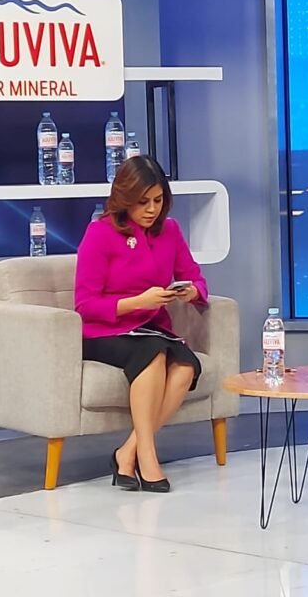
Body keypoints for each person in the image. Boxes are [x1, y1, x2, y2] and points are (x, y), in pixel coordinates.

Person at [75, 155, 209, 493]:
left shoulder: (170, 231)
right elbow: (85, 305)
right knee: (153, 353)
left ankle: (127, 451)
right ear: (125, 199)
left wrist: (191, 291)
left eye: (158, 201)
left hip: (151, 327)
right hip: (104, 330)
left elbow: (195, 278)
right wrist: (139, 302)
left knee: (185, 366)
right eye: (143, 202)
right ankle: (148, 458)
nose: (151, 210)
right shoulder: (100, 233)